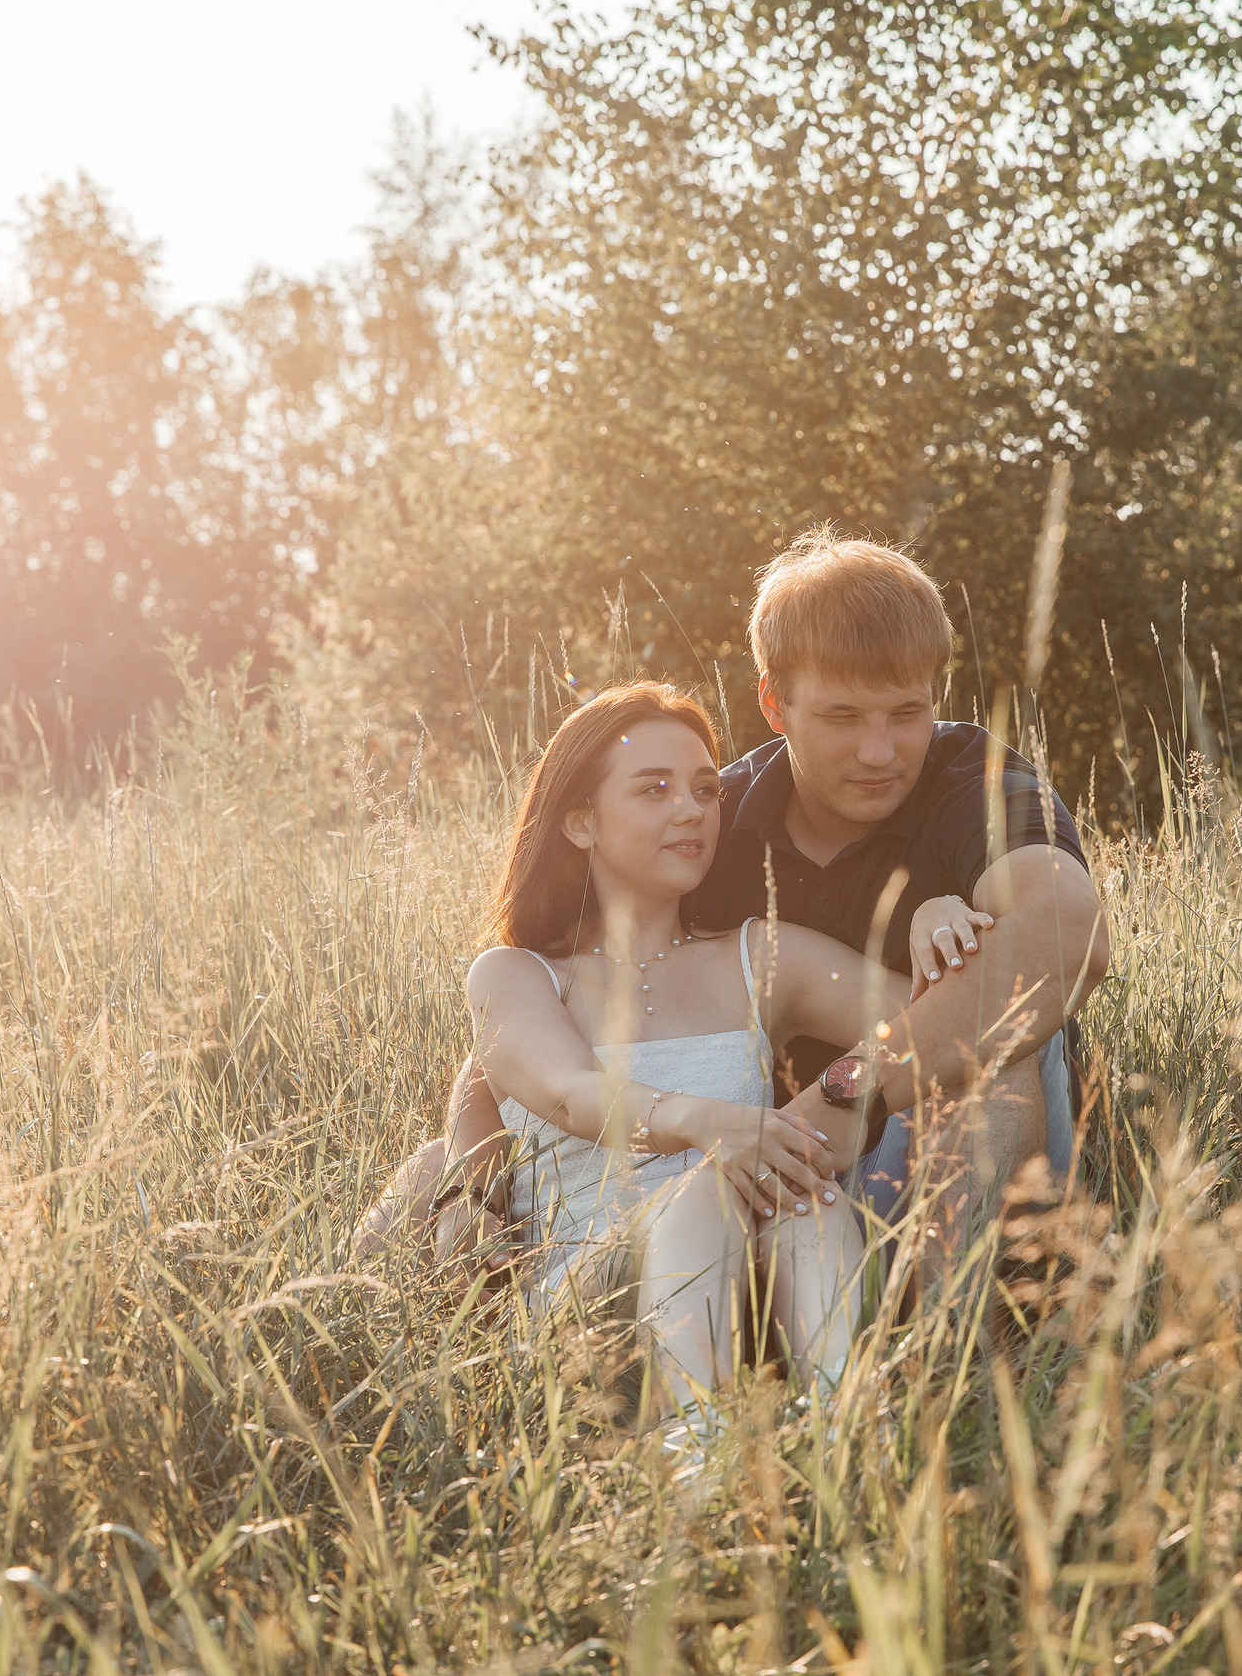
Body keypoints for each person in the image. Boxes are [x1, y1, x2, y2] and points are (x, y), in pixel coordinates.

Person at [396, 527, 1110, 1299]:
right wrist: (470, 1184)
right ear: (774, 703)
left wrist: (846, 1093)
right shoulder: (706, 821)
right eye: (842, 717)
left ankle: (948, 1343)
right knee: (430, 1172)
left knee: (993, 1040)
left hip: (943, 1148)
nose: (880, 751)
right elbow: (523, 1021)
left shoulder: (974, 778)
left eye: (907, 713)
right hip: (777, 1163)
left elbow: (1065, 939)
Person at [428, 681, 982, 1414]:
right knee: (715, 1188)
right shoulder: (517, 975)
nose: (691, 809)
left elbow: (940, 1027)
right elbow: (569, 1091)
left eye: (704, 790)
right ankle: (691, 1443)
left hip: (746, 1292)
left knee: (806, 1198)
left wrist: (935, 916)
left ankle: (850, 1424)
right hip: (585, 1305)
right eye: (654, 789)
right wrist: (706, 1123)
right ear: (581, 822)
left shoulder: (761, 957)